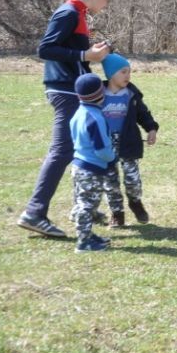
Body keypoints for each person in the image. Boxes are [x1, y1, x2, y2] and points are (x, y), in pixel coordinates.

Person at [19, 0, 119, 239]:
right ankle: (34, 212)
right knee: (63, 150)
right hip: (64, 89)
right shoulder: (69, 13)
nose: (107, 3)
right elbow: (46, 49)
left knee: (77, 149)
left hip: (69, 86)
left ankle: (82, 206)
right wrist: (86, 54)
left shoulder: (77, 13)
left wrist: (90, 54)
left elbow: (67, 51)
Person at [100, 54, 158, 227]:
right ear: (110, 74)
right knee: (110, 182)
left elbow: (143, 114)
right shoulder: (98, 93)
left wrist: (152, 128)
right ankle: (117, 213)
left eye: (129, 72)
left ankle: (135, 202)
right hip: (106, 145)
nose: (127, 75)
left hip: (129, 142)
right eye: (123, 72)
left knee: (132, 180)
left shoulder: (131, 94)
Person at [68, 73, 116, 252]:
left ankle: (88, 235)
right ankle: (84, 242)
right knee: (87, 205)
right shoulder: (95, 118)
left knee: (84, 202)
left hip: (78, 164)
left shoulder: (79, 113)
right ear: (100, 94)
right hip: (92, 169)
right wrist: (112, 158)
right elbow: (102, 149)